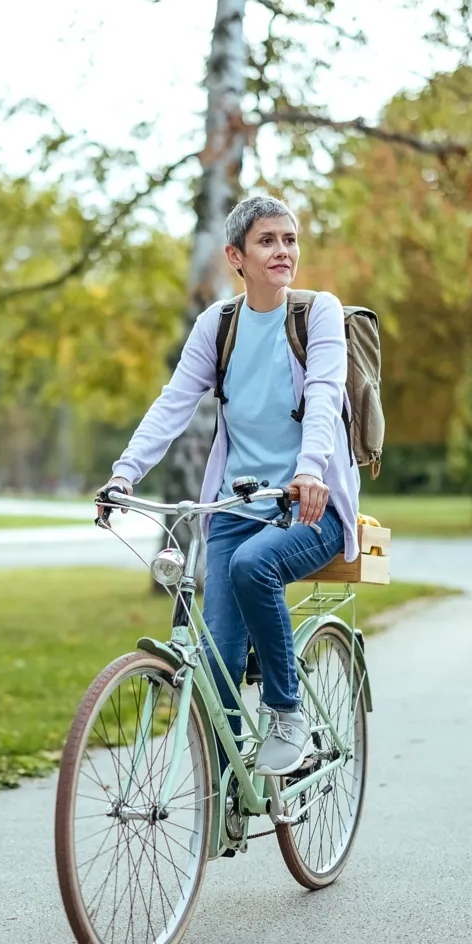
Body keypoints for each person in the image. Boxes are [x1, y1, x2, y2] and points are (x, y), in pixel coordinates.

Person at [98, 195, 356, 777]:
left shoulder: (318, 314)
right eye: (268, 241)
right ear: (236, 257)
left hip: (310, 507)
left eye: (289, 239)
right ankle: (226, 793)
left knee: (251, 569)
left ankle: (288, 713)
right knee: (215, 661)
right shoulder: (218, 325)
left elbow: (323, 397)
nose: (283, 251)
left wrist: (310, 470)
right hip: (237, 508)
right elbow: (173, 405)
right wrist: (123, 473)